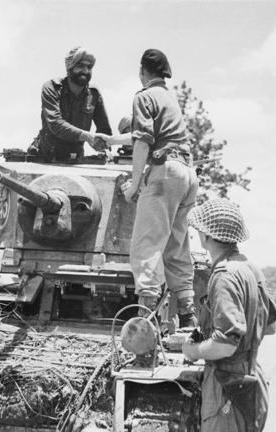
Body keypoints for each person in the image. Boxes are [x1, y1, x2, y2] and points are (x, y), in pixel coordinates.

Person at [183, 198, 276, 432]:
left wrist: (194, 351)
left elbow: (225, 343)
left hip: (227, 388)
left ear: (208, 236)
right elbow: (271, 325)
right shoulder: (249, 267)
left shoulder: (223, 275)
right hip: (251, 382)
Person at [99, 49, 198, 326]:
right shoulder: (168, 97)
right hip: (186, 175)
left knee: (146, 245)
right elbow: (145, 135)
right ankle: (189, 315)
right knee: (176, 246)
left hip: (164, 173)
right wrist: (110, 141)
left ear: (142, 71)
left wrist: (134, 185)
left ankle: (146, 320)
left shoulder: (143, 96)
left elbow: (142, 141)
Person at [28, 46, 112, 162]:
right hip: (46, 158)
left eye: (89, 67)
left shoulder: (94, 94)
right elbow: (56, 124)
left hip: (75, 159)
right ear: (69, 67)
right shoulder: (52, 88)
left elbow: (104, 130)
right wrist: (88, 136)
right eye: (80, 66)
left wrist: (104, 147)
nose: (86, 71)